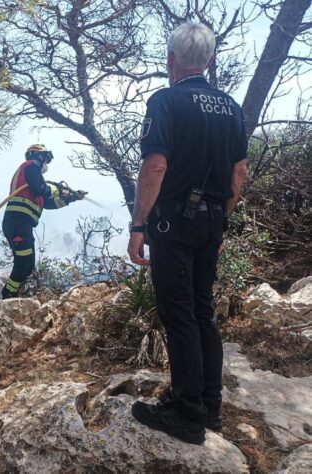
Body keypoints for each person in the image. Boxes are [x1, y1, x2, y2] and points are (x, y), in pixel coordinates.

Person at [126, 23, 248, 444]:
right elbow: (238, 171)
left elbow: (155, 166)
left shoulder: (166, 101)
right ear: (210, 60)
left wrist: (139, 225)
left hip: (173, 222)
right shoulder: (232, 108)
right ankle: (209, 407)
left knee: (179, 314)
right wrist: (220, 214)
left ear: (171, 60)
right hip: (213, 220)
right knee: (202, 311)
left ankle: (187, 413)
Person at [2, 144, 86, 299]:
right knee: (25, 263)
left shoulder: (33, 178)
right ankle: (8, 295)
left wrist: (70, 198)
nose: (46, 164)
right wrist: (59, 189)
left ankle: (11, 294)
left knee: (26, 264)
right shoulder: (30, 167)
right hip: (18, 223)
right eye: (45, 159)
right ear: (37, 156)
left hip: (20, 225)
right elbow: (40, 187)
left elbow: (48, 203)